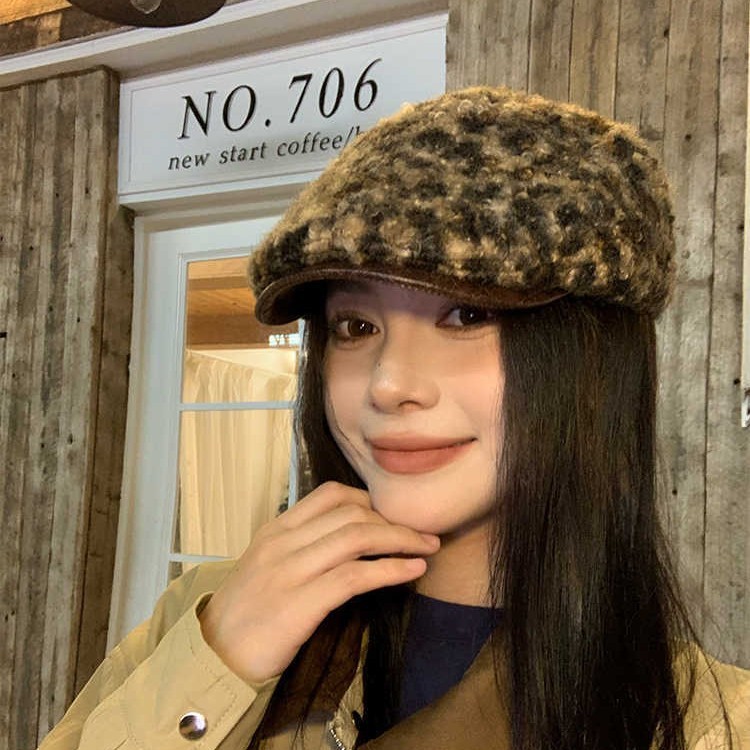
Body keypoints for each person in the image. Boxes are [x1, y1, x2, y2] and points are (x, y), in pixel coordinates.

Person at [39, 86, 749, 750]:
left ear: (593, 362)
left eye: (466, 314)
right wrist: (217, 669)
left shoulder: (714, 721)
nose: (388, 384)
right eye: (355, 327)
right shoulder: (206, 612)